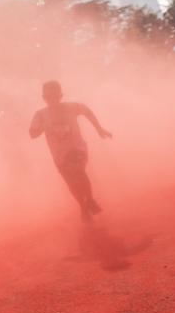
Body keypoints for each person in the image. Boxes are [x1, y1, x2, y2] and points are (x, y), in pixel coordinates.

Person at [28, 80, 112, 222]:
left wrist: (99, 128)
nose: (52, 100)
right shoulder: (41, 115)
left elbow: (87, 112)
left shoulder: (71, 107)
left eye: (55, 96)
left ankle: (90, 200)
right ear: (44, 98)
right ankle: (83, 206)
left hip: (76, 148)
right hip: (59, 154)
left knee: (79, 172)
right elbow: (32, 134)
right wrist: (40, 128)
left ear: (60, 96)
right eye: (49, 97)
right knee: (71, 183)